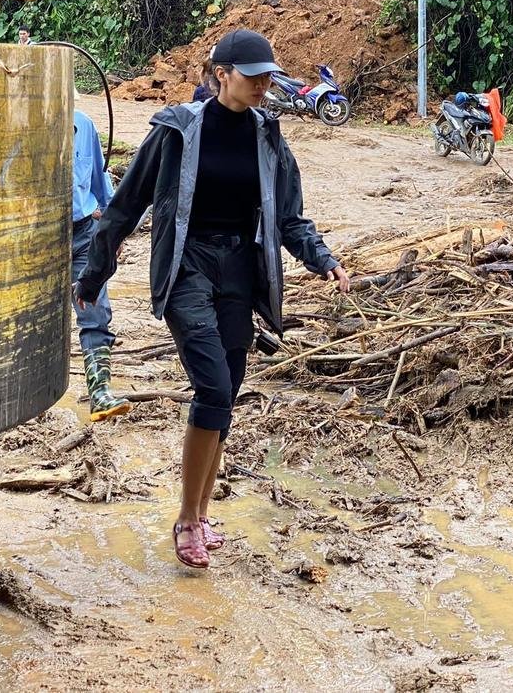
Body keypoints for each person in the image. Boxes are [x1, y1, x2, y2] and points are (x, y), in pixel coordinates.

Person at [75, 29, 350, 569]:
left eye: (268, 76)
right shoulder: (175, 132)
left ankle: (202, 514)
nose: (263, 85)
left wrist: (322, 257)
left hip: (239, 272)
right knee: (214, 386)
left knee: (228, 392)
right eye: (251, 76)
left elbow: (289, 215)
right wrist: (92, 274)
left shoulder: (269, 135)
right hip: (187, 268)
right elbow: (125, 207)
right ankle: (185, 519)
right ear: (220, 74)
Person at [71, 109, 132, 420]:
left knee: (93, 310)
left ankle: (99, 392)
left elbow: (99, 183)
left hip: (82, 234)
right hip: (33, 237)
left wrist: (113, 234)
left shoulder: (84, 124)